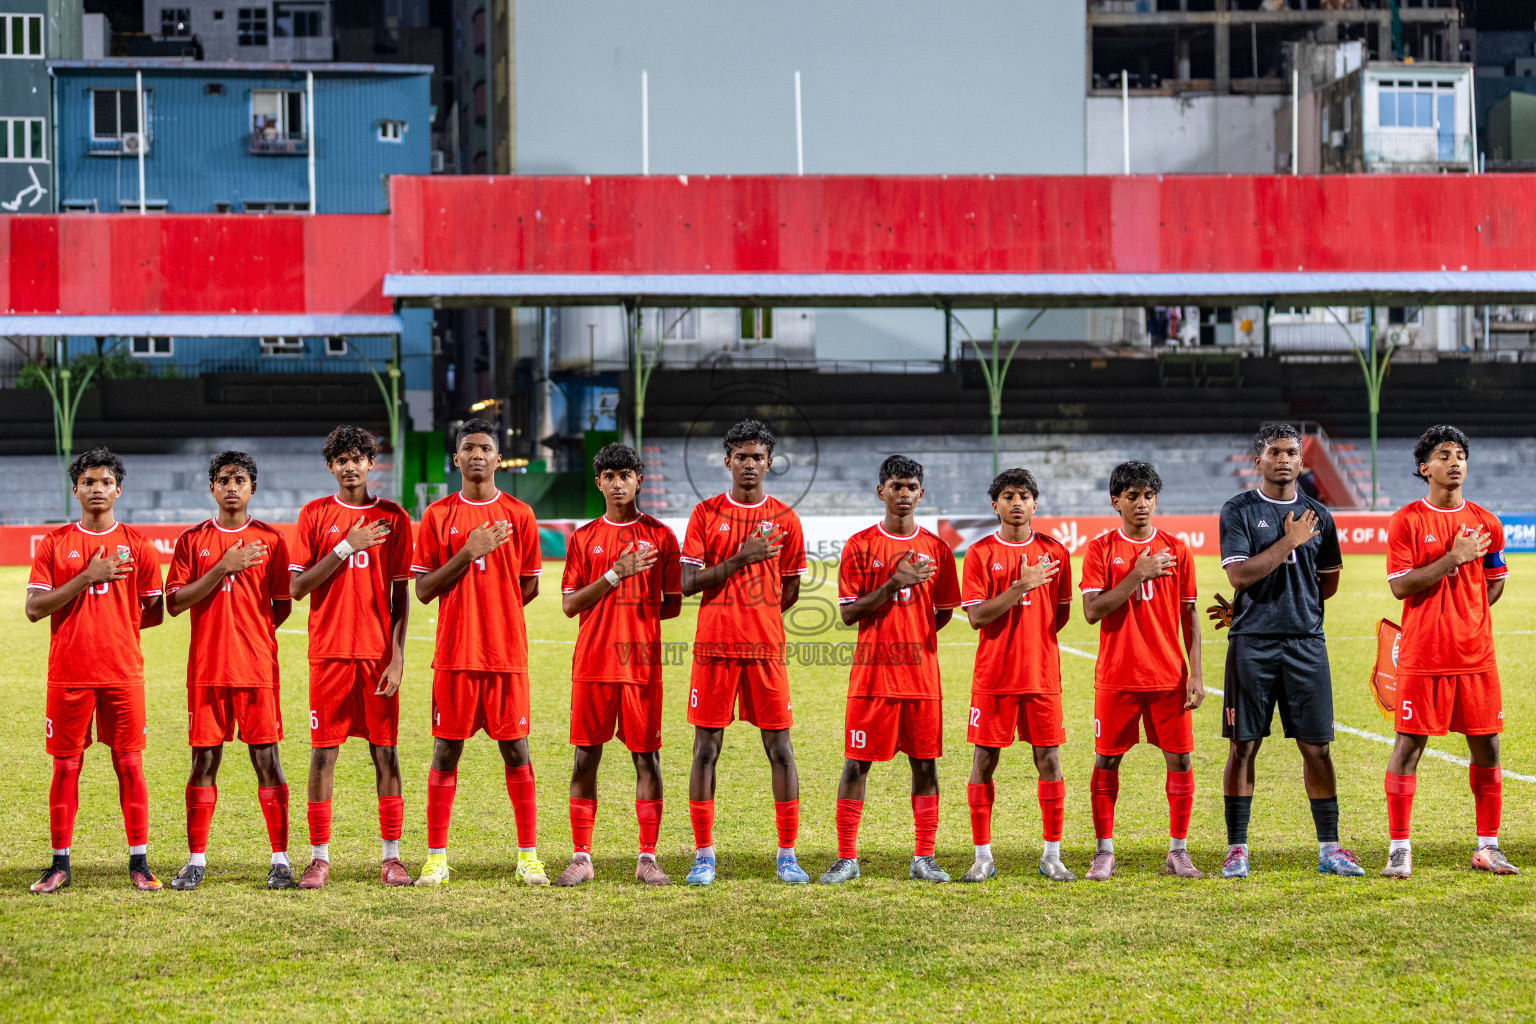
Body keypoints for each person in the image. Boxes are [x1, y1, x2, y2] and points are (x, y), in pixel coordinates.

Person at [1214, 423, 1361, 879]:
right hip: (1251, 644)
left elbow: (1329, 581)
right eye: (1274, 452)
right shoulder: (1238, 510)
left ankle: (1330, 848)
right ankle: (1237, 848)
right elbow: (1238, 576)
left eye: (1292, 452)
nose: (1284, 459)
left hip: (1305, 644)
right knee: (1244, 746)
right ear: (1257, 460)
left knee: (1317, 748)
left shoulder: (1321, 514)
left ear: (1302, 461)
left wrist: (1295, 605)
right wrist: (1289, 541)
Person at [411, 418, 547, 887]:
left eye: (485, 448)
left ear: (497, 457)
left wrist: (497, 611)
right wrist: (468, 553)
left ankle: (528, 856)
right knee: (445, 751)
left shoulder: (521, 514)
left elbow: (527, 585)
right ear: (456, 458)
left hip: (506, 654)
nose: (476, 455)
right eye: (467, 448)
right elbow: (424, 589)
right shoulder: (437, 516)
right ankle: (435, 858)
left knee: (516, 750)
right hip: (454, 653)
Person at [24, 448, 165, 893]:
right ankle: (59, 863)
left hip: (123, 673)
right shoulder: (54, 543)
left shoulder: (139, 545)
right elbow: (33, 609)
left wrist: (116, 625)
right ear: (75, 490)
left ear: (118, 490)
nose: (97, 489)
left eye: (105, 482)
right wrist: (88, 576)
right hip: (68, 673)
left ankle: (139, 863)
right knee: (66, 767)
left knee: (130, 766)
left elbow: (156, 612)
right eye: (88, 482)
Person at [679, 418, 810, 886]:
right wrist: (741, 557)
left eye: (757, 457)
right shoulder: (705, 514)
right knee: (706, 749)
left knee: (780, 748)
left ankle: (788, 854)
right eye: (741, 456)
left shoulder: (787, 519)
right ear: (727, 460)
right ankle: (703, 855)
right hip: (714, 649)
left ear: (770, 462)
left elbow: (789, 588)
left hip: (765, 651)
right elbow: (686, 583)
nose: (749, 464)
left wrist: (761, 620)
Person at [1381, 425, 1516, 878]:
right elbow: (1401, 586)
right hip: (1423, 654)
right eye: (1443, 454)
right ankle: (1399, 848)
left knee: (1488, 748)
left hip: (1476, 656)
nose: (1455, 461)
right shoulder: (1407, 521)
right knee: (1409, 746)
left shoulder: (1488, 522)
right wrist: (1452, 559)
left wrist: (1469, 612)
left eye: (1460, 454)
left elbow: (1494, 581)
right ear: (1425, 468)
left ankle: (1488, 846)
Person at [820, 456, 961, 885]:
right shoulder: (860, 545)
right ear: (880, 491)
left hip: (921, 678)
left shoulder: (937, 549)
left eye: (911, 486)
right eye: (896, 485)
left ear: (921, 493)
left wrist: (912, 634)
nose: (903, 494)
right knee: (856, 765)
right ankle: (847, 857)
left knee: (926, 765)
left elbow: (941, 614)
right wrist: (893, 585)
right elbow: (848, 614)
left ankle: (924, 857)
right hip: (872, 678)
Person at [288, 425, 413, 888]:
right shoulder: (314, 515)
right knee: (323, 756)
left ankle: (392, 856)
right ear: (331, 467)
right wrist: (346, 546)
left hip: (377, 656)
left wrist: (397, 657)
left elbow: (401, 597)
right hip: (330, 654)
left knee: (386, 753)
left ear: (370, 463)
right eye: (341, 459)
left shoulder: (395, 518)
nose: (349, 466)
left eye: (357, 458)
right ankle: (319, 857)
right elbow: (297, 588)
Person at [165, 451, 295, 890]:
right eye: (223, 479)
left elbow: (282, 605)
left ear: (253, 487)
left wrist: (249, 634)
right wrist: (222, 568)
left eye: (240, 479)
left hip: (256, 668)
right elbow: (175, 602)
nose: (232, 486)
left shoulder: (272, 541)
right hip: (206, 669)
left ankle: (280, 860)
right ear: (212, 488)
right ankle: (196, 859)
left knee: (267, 761)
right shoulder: (192, 541)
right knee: (204, 760)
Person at [554, 443, 681, 887]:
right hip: (592, 664)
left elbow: (672, 605)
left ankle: (647, 857)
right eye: (609, 475)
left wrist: (634, 622)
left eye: (625, 474)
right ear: (598, 482)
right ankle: (581, 856)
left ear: (639, 480)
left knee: (647, 759)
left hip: (641, 668)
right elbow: (570, 604)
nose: (617, 482)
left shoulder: (662, 537)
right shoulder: (584, 538)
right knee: (585, 757)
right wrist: (614, 576)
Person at [1079, 461, 1204, 881]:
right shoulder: (1100, 550)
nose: (1142, 504)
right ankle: (1103, 851)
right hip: (1117, 676)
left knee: (1181, 761)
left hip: (1169, 676)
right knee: (1106, 762)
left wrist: (1196, 673)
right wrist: (1137, 573)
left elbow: (1190, 616)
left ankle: (1178, 850)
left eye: (1149, 496)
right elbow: (1092, 611)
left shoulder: (1178, 548)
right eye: (1132, 496)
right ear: (1116, 501)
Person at [959, 468, 1076, 884]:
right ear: (995, 505)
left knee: (1049, 760)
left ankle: (1052, 855)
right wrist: (1020, 588)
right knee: (984, 761)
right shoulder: (978, 554)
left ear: (1035, 503)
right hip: (994, 676)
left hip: (1041, 675)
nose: (1016, 503)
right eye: (1008, 496)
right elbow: (976, 616)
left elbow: (1059, 615)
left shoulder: (1056, 553)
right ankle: (982, 856)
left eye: (1024, 495)